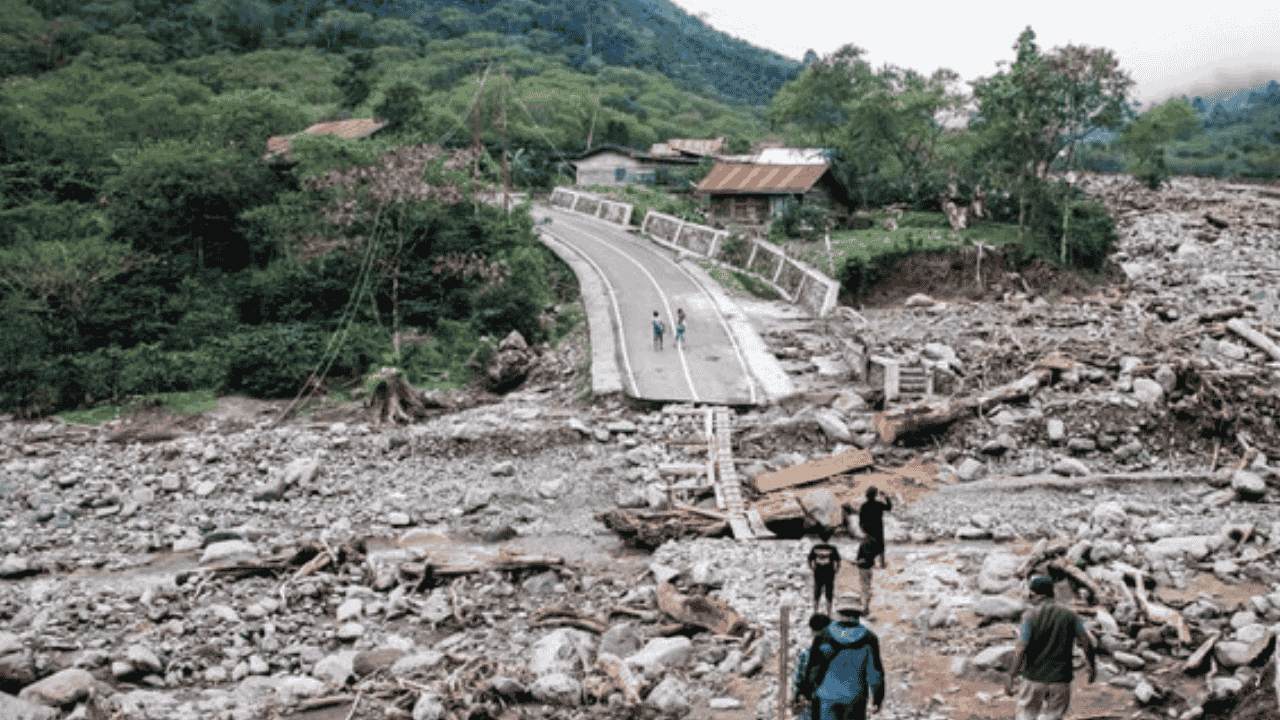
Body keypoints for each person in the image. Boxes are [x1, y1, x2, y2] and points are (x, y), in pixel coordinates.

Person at [1005, 576, 1097, 720]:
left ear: (1037, 595)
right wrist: (1092, 667)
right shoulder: (1070, 615)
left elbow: (1022, 647)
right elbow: (1086, 642)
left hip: (1033, 678)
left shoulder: (1029, 616)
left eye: (1031, 594)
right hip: (1061, 679)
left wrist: (1011, 675)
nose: (1029, 598)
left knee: (1027, 715)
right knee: (1053, 717)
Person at [796, 591, 884, 720]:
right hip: (855, 699)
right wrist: (878, 698)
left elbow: (813, 669)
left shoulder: (823, 635)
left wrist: (805, 693)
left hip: (826, 697)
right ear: (858, 613)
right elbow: (875, 673)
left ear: (839, 612)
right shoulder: (869, 638)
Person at [792, 613, 832, 720]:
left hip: (809, 705)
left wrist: (796, 698)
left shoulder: (805, 653)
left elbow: (798, 679)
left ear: (812, 630)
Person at [807, 531, 842, 617]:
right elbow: (838, 560)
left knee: (817, 592)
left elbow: (809, 559)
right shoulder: (832, 548)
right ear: (829, 538)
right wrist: (836, 570)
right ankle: (829, 612)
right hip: (829, 573)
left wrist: (812, 568)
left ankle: (815, 611)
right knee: (829, 592)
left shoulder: (815, 548)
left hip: (818, 572)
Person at [857, 487, 892, 570]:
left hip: (868, 528)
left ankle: (871, 563)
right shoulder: (878, 504)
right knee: (880, 546)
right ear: (875, 495)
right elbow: (889, 507)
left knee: (870, 546)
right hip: (878, 528)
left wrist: (862, 528)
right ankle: (882, 564)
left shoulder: (864, 506)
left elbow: (861, 519)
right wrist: (886, 497)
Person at [854, 537, 879, 616]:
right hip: (869, 569)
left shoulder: (864, 543)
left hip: (864, 569)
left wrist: (855, 562)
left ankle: (865, 609)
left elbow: (864, 559)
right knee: (867, 588)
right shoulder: (873, 542)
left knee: (865, 589)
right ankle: (866, 608)